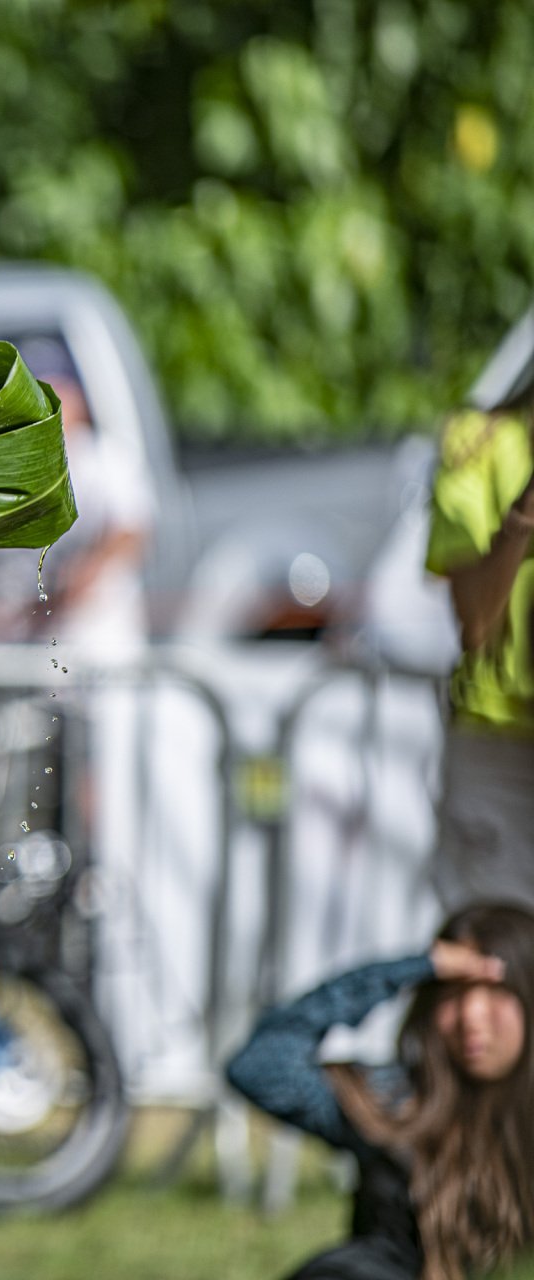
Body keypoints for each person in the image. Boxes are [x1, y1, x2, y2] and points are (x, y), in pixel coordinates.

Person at [227, 904, 533, 1280]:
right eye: (452, 993)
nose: (472, 1015)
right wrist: (413, 968)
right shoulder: (397, 1101)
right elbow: (260, 1066)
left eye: (496, 992)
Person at [424, 372, 534, 914]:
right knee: (495, 959)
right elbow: (476, 623)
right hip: (498, 750)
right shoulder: (481, 440)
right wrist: (522, 518)